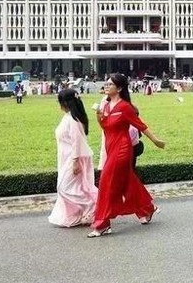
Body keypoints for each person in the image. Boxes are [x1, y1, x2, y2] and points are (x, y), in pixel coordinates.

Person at [88, 73, 166, 237]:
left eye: (110, 84)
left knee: (105, 183)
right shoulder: (107, 106)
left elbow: (141, 126)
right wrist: (99, 116)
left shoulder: (125, 107)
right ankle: (147, 208)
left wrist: (156, 141)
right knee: (128, 182)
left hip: (122, 149)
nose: (106, 86)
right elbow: (105, 127)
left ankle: (102, 223)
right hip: (111, 147)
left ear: (120, 88)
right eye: (106, 83)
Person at [48, 88, 98, 227]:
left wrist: (75, 161)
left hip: (73, 158)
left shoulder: (73, 120)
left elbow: (77, 142)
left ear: (65, 103)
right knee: (75, 187)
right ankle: (80, 212)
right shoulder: (69, 117)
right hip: (66, 158)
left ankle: (93, 206)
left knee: (65, 187)